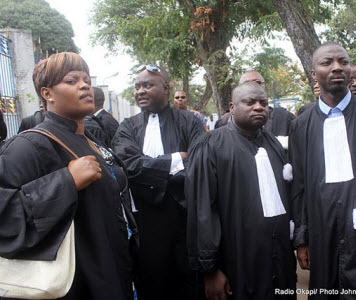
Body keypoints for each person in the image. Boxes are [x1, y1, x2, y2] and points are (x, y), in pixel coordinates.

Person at [0, 52, 137, 300]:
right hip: (76, 284)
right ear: (47, 94)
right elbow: (5, 215)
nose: (84, 85)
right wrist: (66, 181)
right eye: (71, 80)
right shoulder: (29, 146)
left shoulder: (90, 139)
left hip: (115, 268)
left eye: (86, 79)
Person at [290, 42, 356, 299]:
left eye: (343, 62)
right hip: (321, 235)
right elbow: (300, 186)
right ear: (314, 73)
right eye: (327, 63)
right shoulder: (302, 125)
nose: (337, 67)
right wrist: (302, 238)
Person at [186, 81, 296, 300]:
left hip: (277, 260)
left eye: (263, 103)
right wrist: (210, 269)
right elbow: (203, 211)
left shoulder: (274, 144)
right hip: (235, 262)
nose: (258, 107)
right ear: (232, 107)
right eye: (250, 102)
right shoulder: (210, 145)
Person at [112, 65, 205, 300]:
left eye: (147, 85)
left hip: (183, 218)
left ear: (166, 88)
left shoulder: (190, 121)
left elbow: (198, 163)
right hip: (144, 221)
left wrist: (151, 167)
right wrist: (175, 160)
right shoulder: (127, 127)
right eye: (137, 86)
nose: (140, 91)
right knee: (151, 283)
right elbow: (128, 166)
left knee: (187, 283)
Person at [239, 70, 295, 150]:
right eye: (246, 83)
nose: (253, 86)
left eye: (257, 82)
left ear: (265, 87)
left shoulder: (284, 118)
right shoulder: (226, 122)